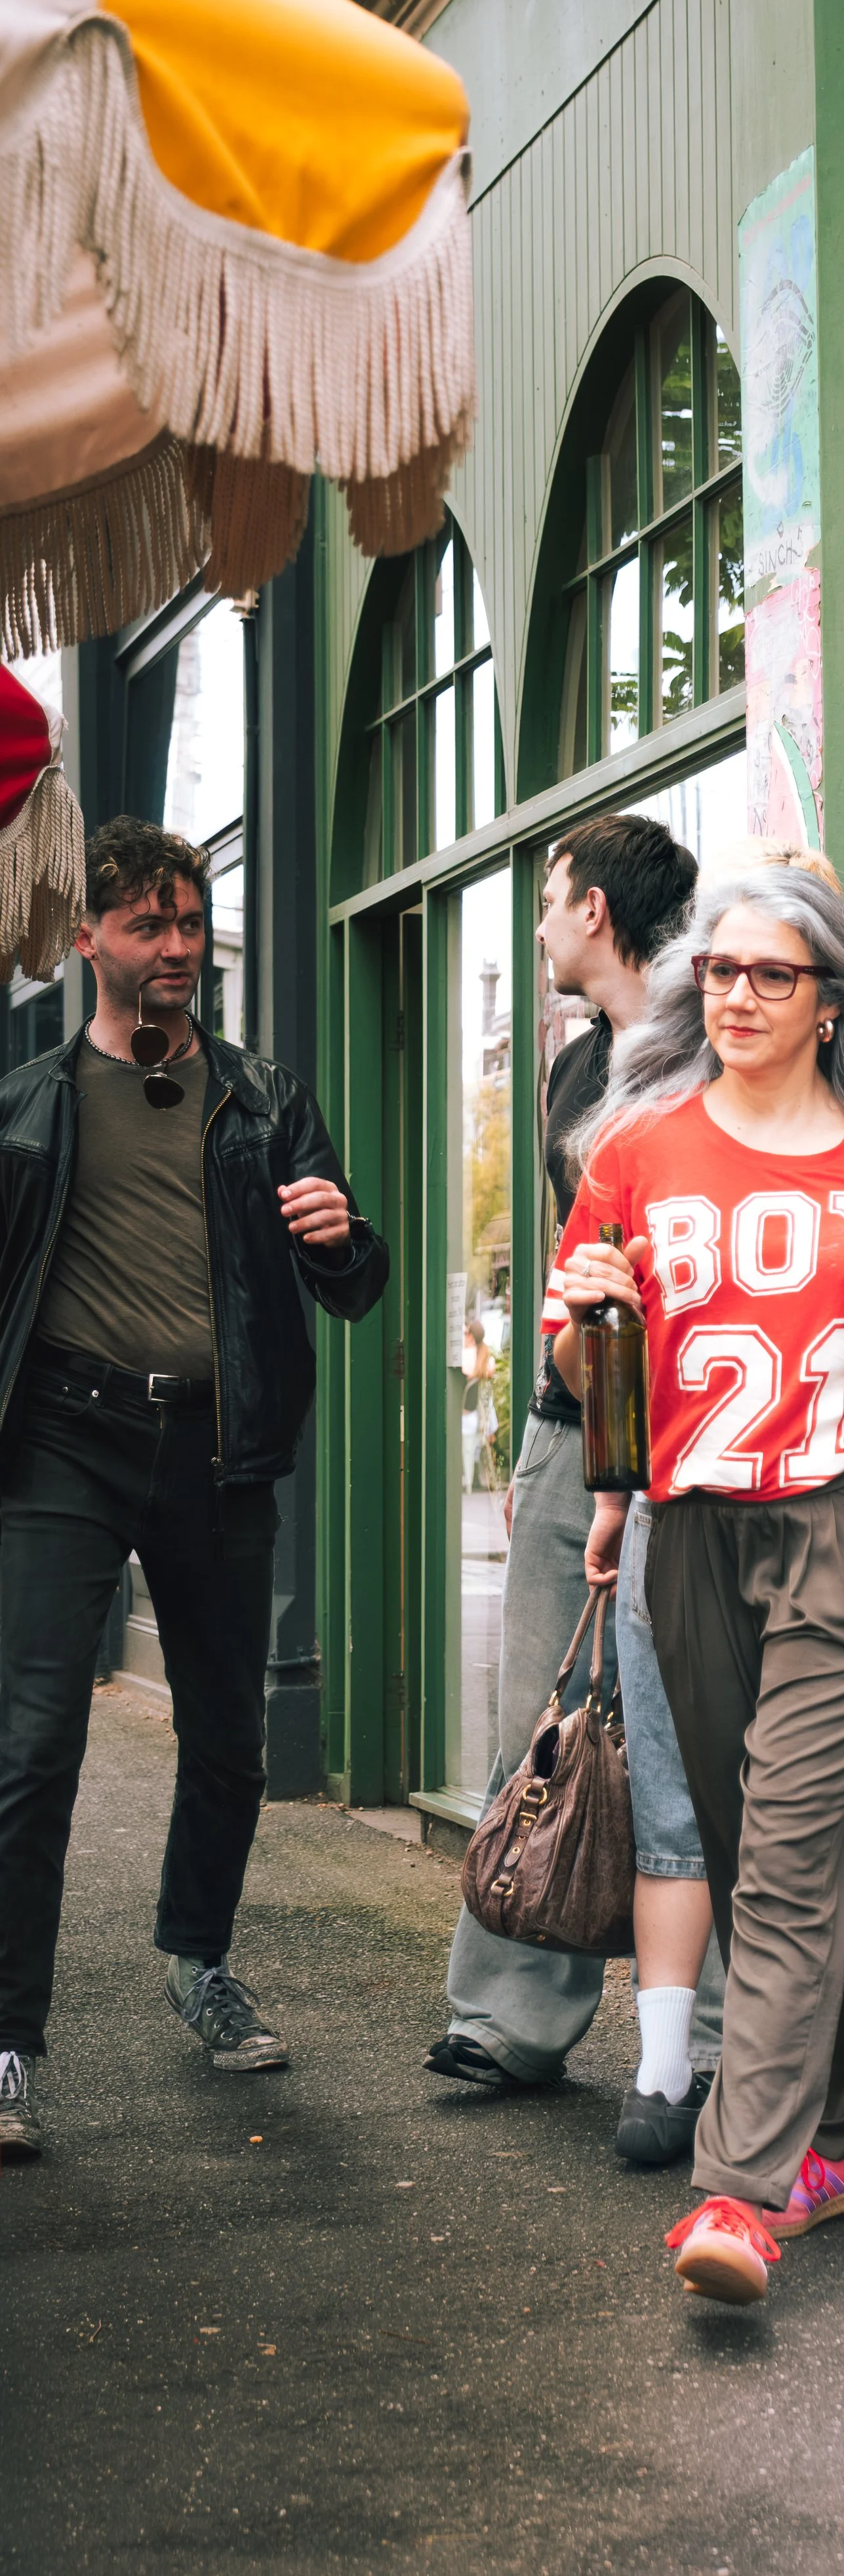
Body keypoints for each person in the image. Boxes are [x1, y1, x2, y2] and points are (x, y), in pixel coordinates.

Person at [553, 866, 844, 2305]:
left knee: (797, 1839)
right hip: (694, 1526)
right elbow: (581, 1374)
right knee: (759, 1846)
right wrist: (591, 1324)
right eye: (717, 974)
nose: (733, 997)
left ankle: (739, 2198)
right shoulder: (632, 1147)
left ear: (829, 1003)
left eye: (768, 975)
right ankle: (840, 2131)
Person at [0, 817, 388, 2160]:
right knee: (33, 1737)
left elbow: (351, 1281)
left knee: (228, 1731)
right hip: (63, 1438)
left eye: (190, 923)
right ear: (86, 939)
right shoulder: (29, 1106)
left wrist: (347, 1234)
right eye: (151, 927)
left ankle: (200, 1962)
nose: (178, 949)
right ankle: (8, 2039)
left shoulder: (264, 1096)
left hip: (217, 1447)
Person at [424, 811, 706, 2104]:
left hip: (702, 1438)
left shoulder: (710, 1048)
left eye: (547, 899)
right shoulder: (569, 1071)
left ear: (594, 910)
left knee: (697, 1743)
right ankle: (508, 2018)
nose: (538, 925)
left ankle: (702, 2045)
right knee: (540, 1721)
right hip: (567, 1426)